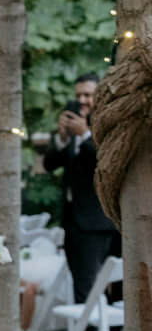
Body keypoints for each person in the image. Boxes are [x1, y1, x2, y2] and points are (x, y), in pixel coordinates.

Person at [42, 72, 118, 304]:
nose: (82, 100)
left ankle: (93, 329)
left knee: (94, 291)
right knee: (81, 286)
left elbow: (107, 161)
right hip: (73, 223)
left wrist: (85, 134)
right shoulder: (72, 124)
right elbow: (49, 164)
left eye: (87, 95)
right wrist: (62, 139)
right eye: (78, 95)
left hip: (97, 222)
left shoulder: (107, 123)